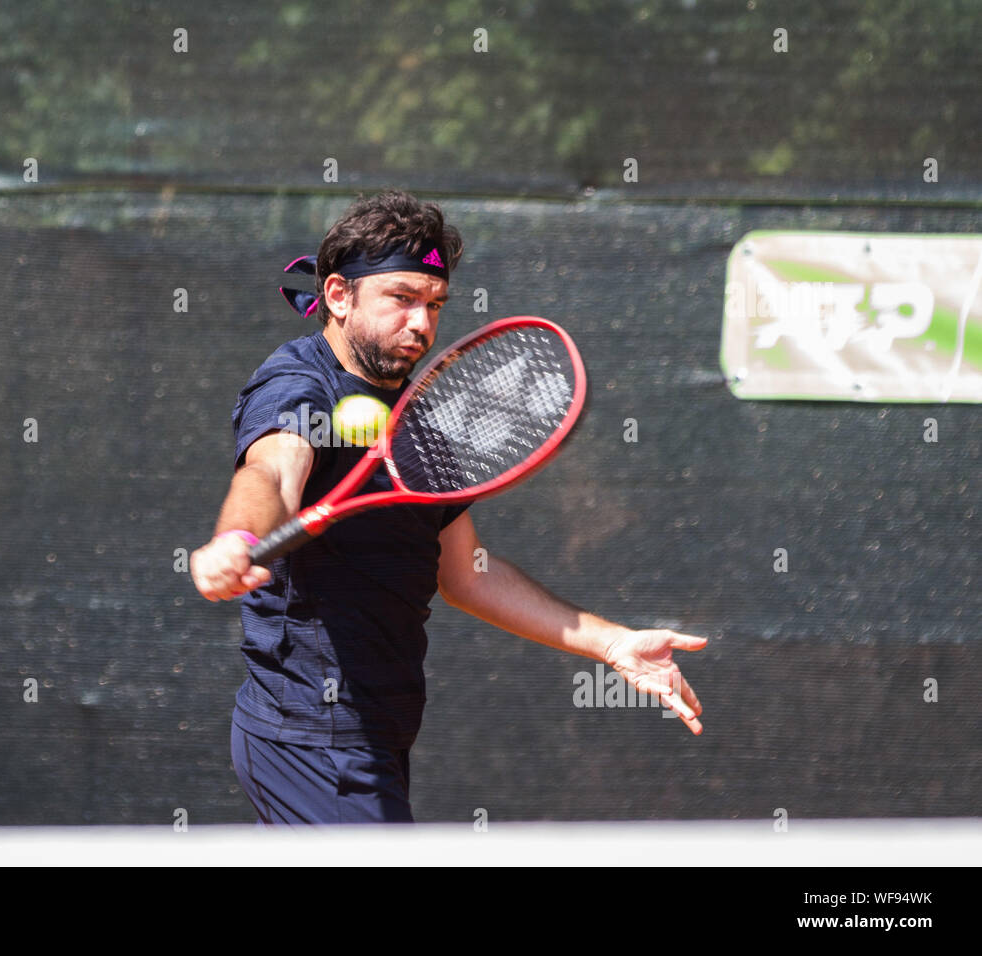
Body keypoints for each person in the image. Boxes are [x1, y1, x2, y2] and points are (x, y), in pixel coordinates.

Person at [190, 189, 706, 825]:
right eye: (402, 299)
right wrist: (238, 537)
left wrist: (614, 644)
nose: (422, 324)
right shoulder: (299, 383)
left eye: (434, 304)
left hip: (374, 734)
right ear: (338, 296)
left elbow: (466, 573)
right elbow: (273, 468)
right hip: (311, 738)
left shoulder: (421, 418)